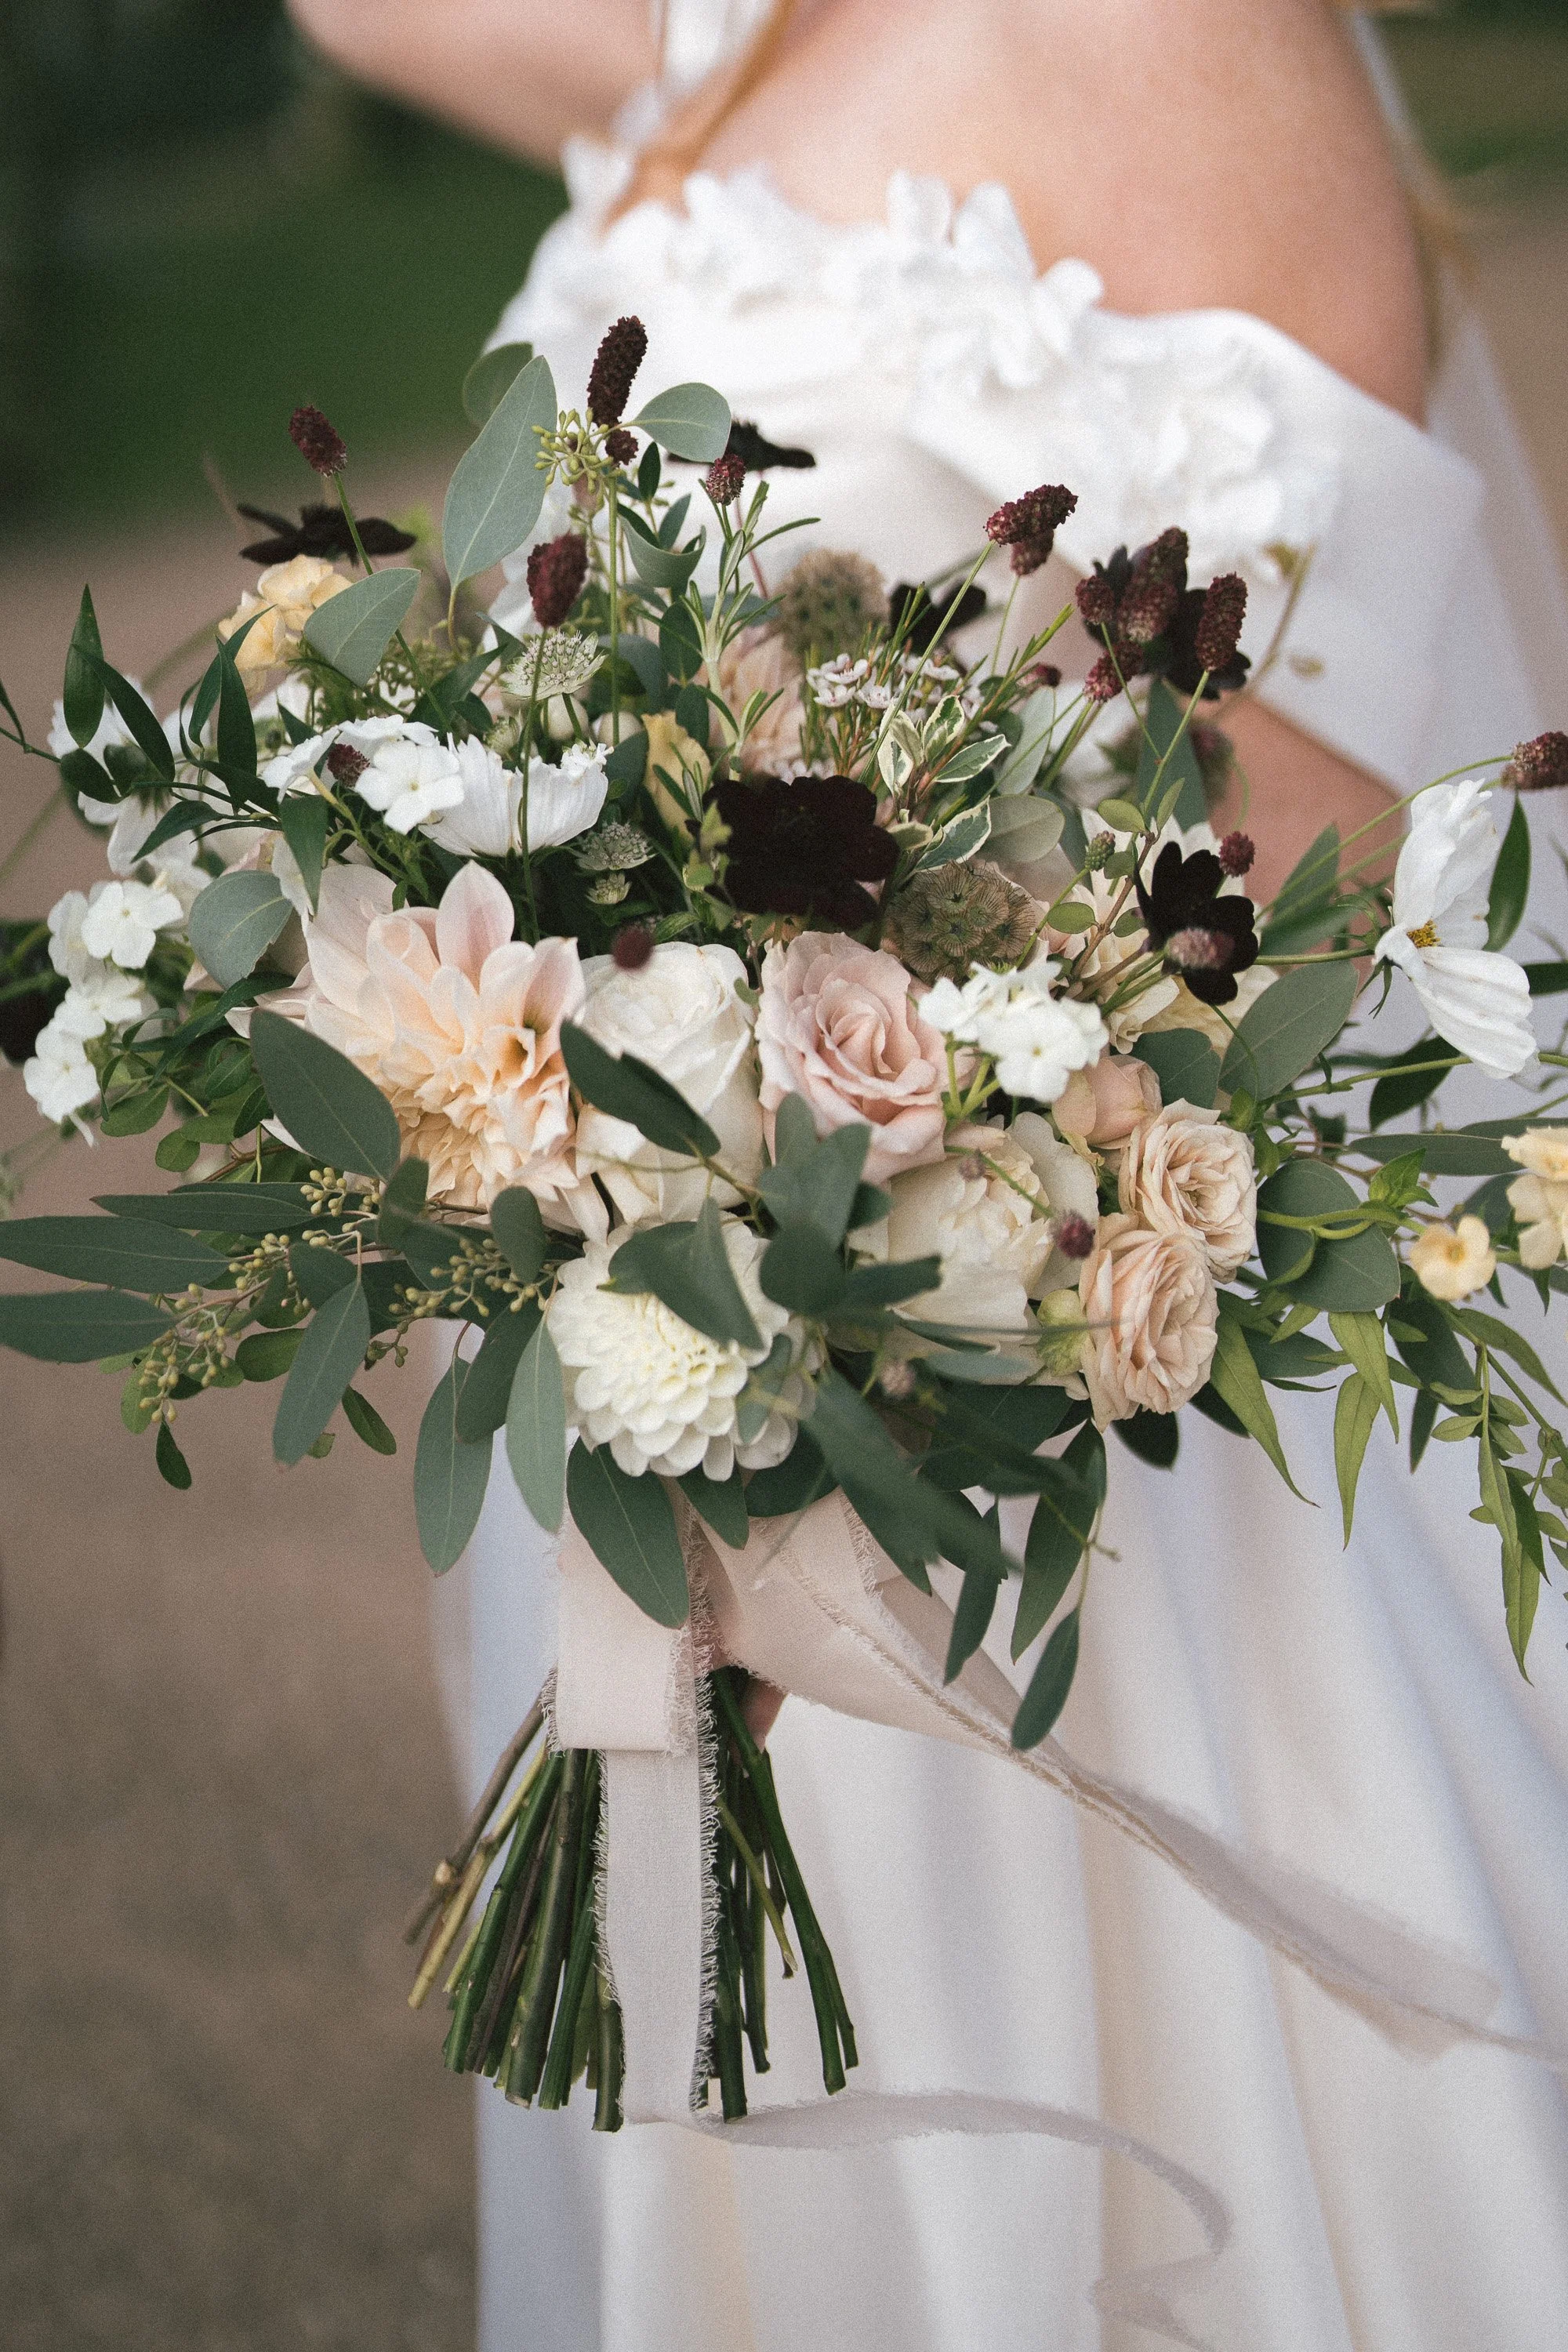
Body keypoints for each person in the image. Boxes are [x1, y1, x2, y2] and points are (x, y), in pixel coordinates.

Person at [291, 4, 1568, 2343]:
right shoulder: (713, 40)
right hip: (676, 1440)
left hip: (1069, 1517)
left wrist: (794, 1090)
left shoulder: (1187, 44)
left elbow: (1326, 840)